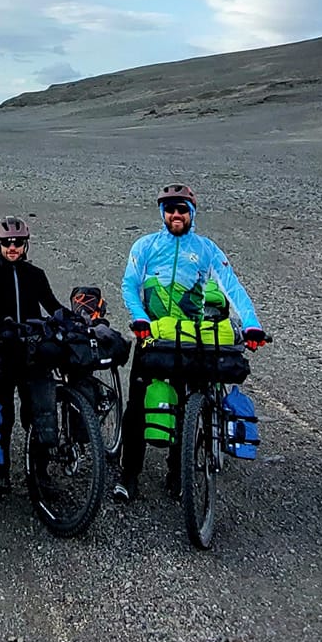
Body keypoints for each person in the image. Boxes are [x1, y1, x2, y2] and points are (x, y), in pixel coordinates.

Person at [115, 183, 267, 501]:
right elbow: (130, 284)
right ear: (162, 213)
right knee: (137, 409)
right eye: (170, 209)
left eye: (182, 209)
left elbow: (232, 287)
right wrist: (140, 316)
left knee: (186, 407)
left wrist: (252, 324)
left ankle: (177, 472)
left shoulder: (206, 249)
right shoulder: (145, 246)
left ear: (192, 212)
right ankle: (129, 475)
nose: (175, 215)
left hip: (190, 339)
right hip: (153, 336)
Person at [0, 214, 61, 498]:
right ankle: (1, 475)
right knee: (2, 416)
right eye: (7, 243)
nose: (13, 248)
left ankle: (40, 474)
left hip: (32, 354)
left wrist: (70, 319)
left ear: (26, 245)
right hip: (1, 354)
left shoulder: (35, 275)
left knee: (38, 415)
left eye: (18, 243)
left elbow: (51, 305)